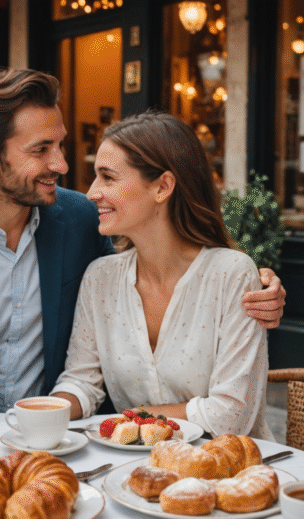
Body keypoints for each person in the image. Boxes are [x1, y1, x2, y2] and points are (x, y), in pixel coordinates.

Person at [0, 67, 286, 418]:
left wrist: (252, 281)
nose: (61, 165)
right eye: (41, 149)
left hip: (66, 439)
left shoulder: (81, 219)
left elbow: (167, 268)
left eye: (59, 145)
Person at [50, 112, 273, 440]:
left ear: (162, 187)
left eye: (108, 177)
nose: (92, 192)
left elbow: (230, 417)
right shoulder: (101, 278)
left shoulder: (232, 275)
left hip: (228, 475)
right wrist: (42, 413)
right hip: (137, 472)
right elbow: (82, 381)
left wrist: (127, 420)